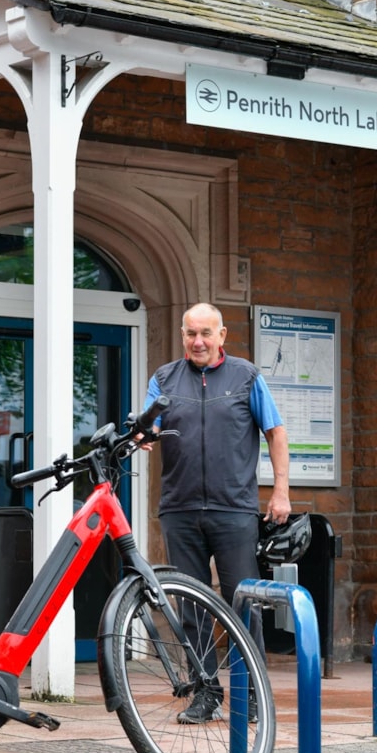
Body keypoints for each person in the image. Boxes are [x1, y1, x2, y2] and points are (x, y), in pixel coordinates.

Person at [143, 302, 291, 724]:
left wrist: (280, 491)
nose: (199, 342)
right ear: (182, 336)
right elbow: (147, 424)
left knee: (243, 603)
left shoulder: (246, 377)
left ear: (222, 335)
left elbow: (276, 432)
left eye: (206, 333)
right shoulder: (164, 378)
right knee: (191, 608)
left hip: (234, 510)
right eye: (191, 333)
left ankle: (253, 693)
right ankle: (205, 693)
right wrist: (142, 435)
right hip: (180, 508)